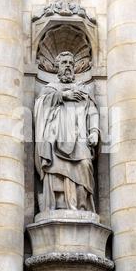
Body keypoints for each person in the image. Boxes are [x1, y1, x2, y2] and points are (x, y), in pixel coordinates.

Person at [34, 51, 100, 212]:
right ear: (57, 67)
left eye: (71, 63)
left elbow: (92, 111)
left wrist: (94, 131)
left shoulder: (83, 89)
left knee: (85, 165)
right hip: (56, 139)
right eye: (64, 63)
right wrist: (63, 96)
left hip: (80, 139)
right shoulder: (49, 89)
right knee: (56, 170)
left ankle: (81, 206)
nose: (68, 66)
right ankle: (59, 205)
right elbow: (40, 107)